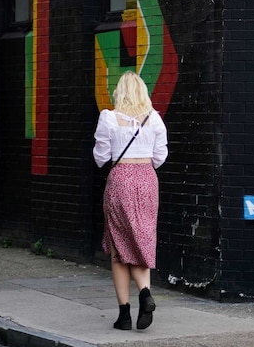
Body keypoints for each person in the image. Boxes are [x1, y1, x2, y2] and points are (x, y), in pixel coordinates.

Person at [93, 71, 168, 330]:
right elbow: (160, 158)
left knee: (119, 248)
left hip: (121, 179)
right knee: (141, 240)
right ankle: (145, 293)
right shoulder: (155, 119)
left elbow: (100, 157)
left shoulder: (109, 118)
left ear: (119, 92)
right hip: (147, 179)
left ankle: (124, 315)